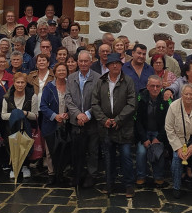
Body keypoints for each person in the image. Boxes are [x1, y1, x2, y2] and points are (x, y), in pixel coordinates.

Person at [91, 52, 137, 196]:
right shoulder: (101, 81)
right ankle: (109, 184)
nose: (115, 65)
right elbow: (94, 103)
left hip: (123, 127)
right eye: (112, 63)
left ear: (121, 65)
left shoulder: (128, 81)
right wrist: (104, 120)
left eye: (117, 63)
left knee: (126, 157)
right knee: (108, 158)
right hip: (106, 128)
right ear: (108, 66)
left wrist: (118, 120)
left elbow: (132, 104)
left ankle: (129, 185)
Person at [66, 50, 100, 188]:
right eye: (81, 61)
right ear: (77, 62)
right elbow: (68, 98)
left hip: (91, 122)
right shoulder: (71, 77)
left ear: (91, 62)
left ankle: (92, 175)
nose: (83, 64)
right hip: (76, 121)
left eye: (86, 61)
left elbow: (99, 100)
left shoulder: (98, 78)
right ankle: (77, 174)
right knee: (76, 151)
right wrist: (78, 114)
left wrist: (87, 114)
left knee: (92, 150)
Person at [2, 73, 39, 180]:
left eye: (22, 82)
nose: (20, 85)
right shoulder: (7, 97)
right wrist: (16, 114)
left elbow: (35, 115)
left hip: (26, 127)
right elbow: (3, 115)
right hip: (11, 127)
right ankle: (14, 168)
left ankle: (25, 166)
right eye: (18, 82)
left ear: (26, 83)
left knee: (25, 147)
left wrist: (25, 113)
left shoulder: (32, 96)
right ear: (13, 83)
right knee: (12, 147)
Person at [135, 75, 170, 188]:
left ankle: (158, 177)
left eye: (158, 86)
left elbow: (169, 122)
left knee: (158, 150)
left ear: (161, 87)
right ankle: (141, 176)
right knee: (141, 152)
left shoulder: (166, 99)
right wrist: (143, 138)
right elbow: (137, 120)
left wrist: (159, 138)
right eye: (152, 86)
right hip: (144, 132)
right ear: (147, 86)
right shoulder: (140, 97)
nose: (155, 89)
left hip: (159, 132)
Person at [40, 63, 72, 186]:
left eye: (64, 70)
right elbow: (43, 106)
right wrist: (55, 116)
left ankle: (61, 174)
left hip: (67, 123)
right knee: (50, 151)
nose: (62, 72)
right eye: (59, 70)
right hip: (51, 123)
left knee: (64, 150)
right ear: (55, 72)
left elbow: (76, 102)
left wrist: (69, 113)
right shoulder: (49, 87)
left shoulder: (71, 85)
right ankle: (51, 174)